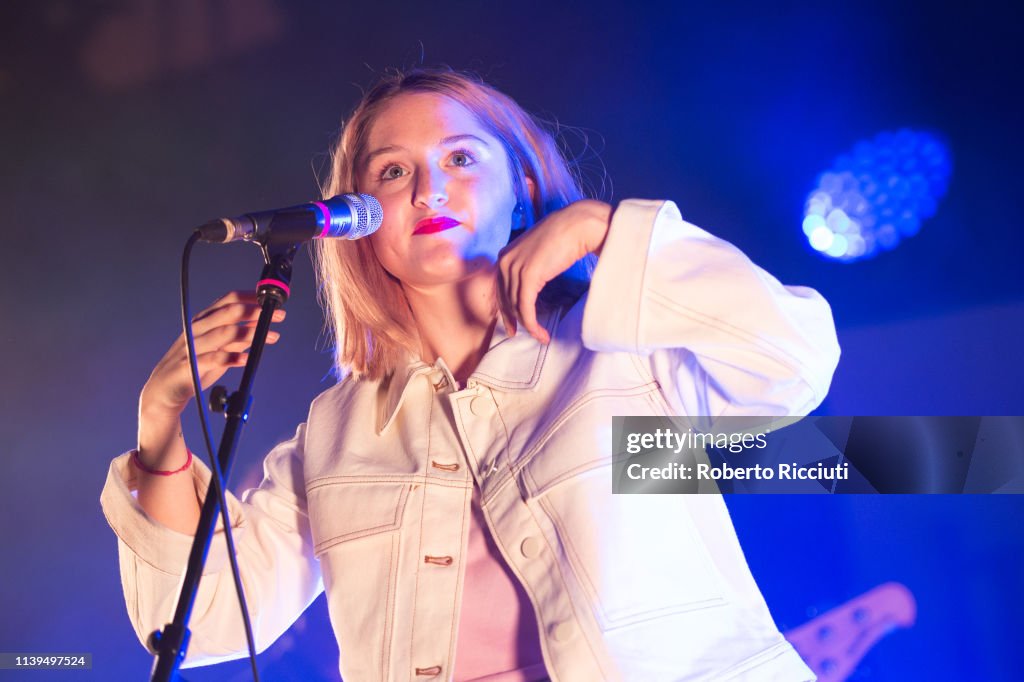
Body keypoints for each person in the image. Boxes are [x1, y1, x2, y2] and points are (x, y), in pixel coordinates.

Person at [101, 67, 840, 681]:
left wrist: (602, 228)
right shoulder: (337, 431)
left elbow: (795, 362)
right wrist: (159, 425)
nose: (428, 190)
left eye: (460, 158)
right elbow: (206, 618)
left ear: (520, 185)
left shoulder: (622, 347)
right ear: (359, 222)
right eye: (393, 172)